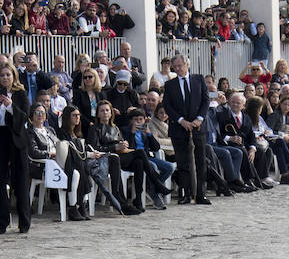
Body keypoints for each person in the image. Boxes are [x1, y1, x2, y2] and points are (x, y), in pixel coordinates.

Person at [87, 100, 163, 213]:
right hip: (106, 159)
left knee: (139, 162)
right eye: (102, 111)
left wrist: (124, 145)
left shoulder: (116, 128)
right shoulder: (94, 129)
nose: (105, 113)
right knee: (140, 153)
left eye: (107, 110)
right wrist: (114, 148)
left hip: (120, 157)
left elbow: (124, 145)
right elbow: (93, 148)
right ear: (97, 113)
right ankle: (155, 184)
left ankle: (138, 199)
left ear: (111, 112)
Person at [0, 63, 32, 234]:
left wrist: (11, 106)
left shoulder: (21, 94)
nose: (5, 78)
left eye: (8, 75)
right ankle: (2, 222)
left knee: (21, 182)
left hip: (17, 140)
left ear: (14, 77)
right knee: (0, 182)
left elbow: (25, 116)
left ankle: (24, 222)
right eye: (2, 75)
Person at [162, 54, 211, 205]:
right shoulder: (170, 85)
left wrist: (199, 119)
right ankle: (185, 193)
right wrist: (181, 121)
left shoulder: (198, 79)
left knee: (200, 161)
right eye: (175, 67)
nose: (177, 69)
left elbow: (205, 100)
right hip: (179, 127)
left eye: (180, 66)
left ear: (186, 64)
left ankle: (200, 194)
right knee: (183, 162)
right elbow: (167, 106)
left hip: (198, 126)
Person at [72, 67, 105, 136]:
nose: (87, 79)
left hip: (100, 124)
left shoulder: (101, 93)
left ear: (95, 78)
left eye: (90, 77)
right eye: (85, 77)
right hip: (84, 126)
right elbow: (78, 111)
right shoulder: (78, 93)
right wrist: (89, 123)